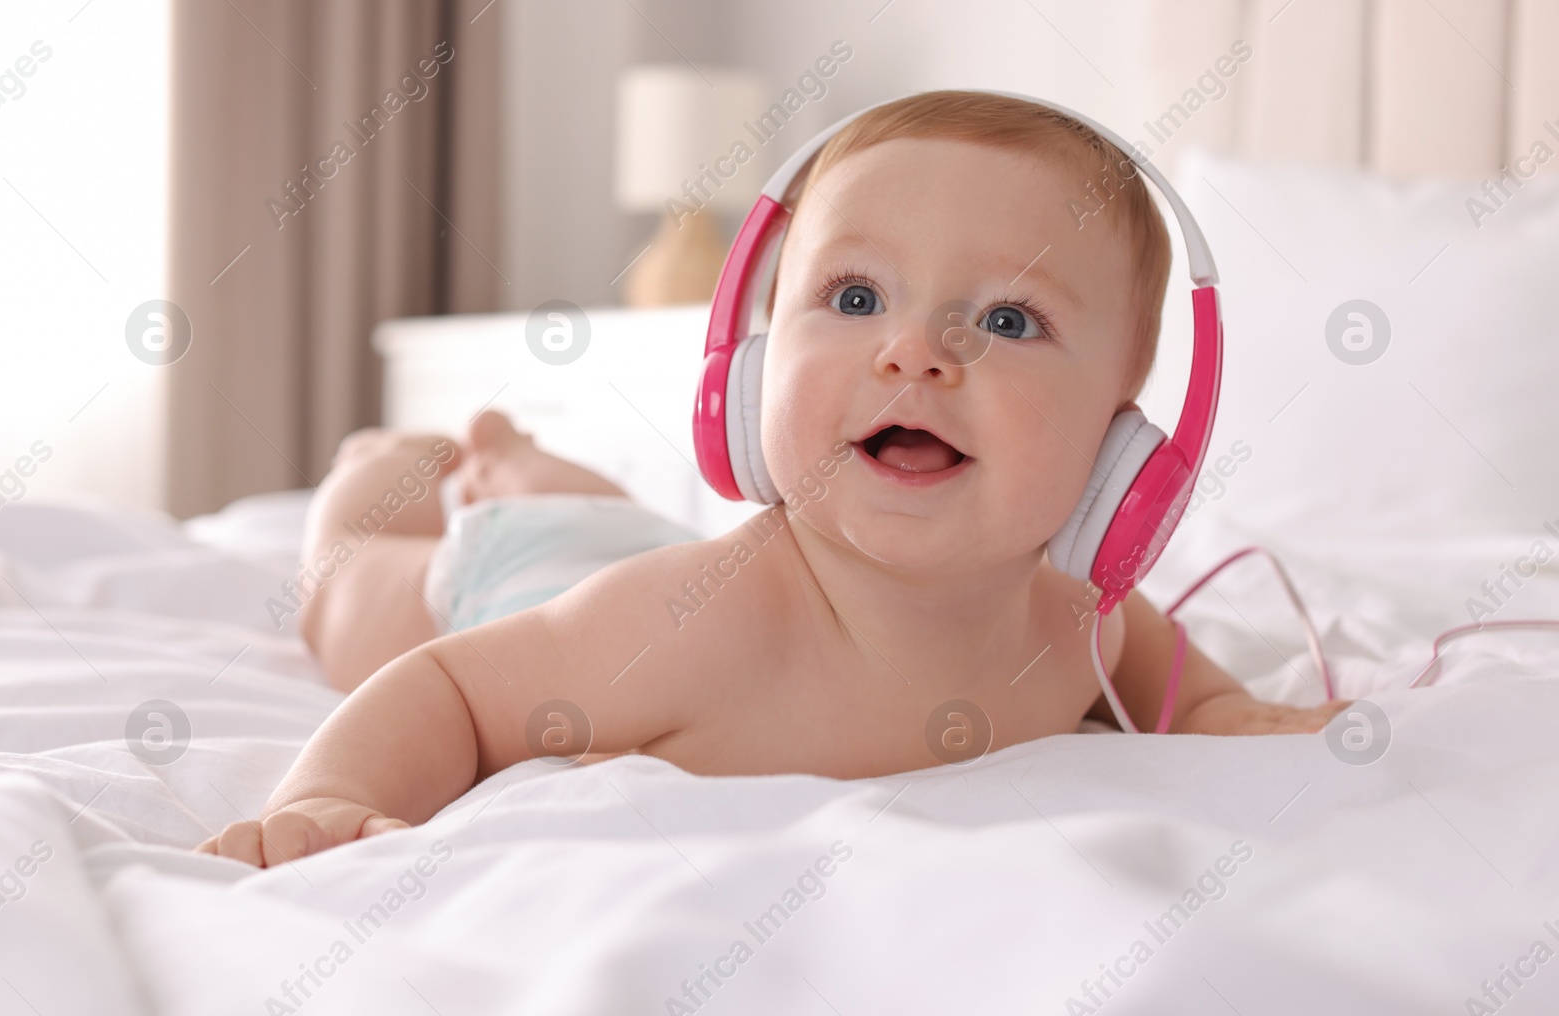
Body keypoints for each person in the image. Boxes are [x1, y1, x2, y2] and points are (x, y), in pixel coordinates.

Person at [200, 91, 1350, 867]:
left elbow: (1162, 673)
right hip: (524, 582)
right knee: (355, 586)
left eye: (1008, 316)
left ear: (1122, 450)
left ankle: (509, 460)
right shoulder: (699, 624)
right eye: (855, 299)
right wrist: (322, 801)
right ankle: (400, 465)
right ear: (748, 372)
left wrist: (1222, 709)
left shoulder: (1077, 621)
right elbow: (449, 687)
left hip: (622, 548)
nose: (915, 351)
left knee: (593, 514)